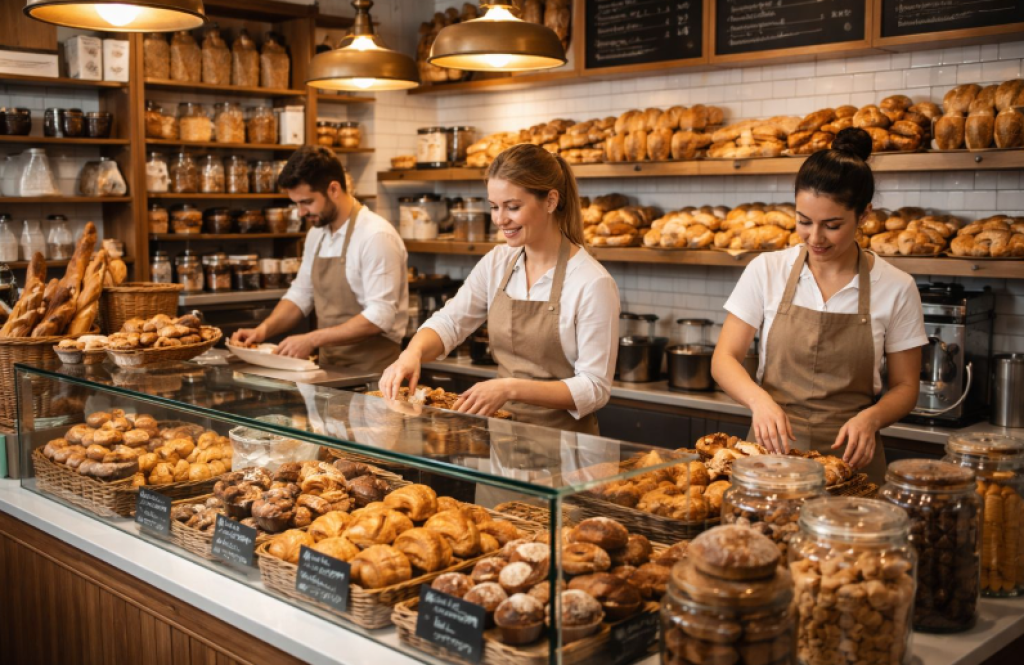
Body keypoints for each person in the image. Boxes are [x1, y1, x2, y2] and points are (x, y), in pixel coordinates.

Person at [712, 128, 927, 482]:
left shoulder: (897, 287)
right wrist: (759, 402)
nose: (815, 238)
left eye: (832, 225)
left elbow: (906, 387)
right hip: (769, 455)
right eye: (804, 221)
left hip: (851, 461)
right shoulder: (767, 270)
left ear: (864, 215)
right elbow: (724, 359)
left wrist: (871, 419)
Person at [379, 144, 620, 434]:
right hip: (503, 444)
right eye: (494, 206)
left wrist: (509, 389)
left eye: (513, 207)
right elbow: (451, 322)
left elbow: (594, 388)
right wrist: (412, 352)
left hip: (567, 451)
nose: (499, 219)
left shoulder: (592, 282)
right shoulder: (498, 262)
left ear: (550, 201)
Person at [231, 146, 408, 372]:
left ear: (333, 189)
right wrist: (262, 331)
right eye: (296, 203)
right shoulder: (317, 234)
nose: (300, 213)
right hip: (329, 369)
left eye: (306, 202)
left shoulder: (375, 236)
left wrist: (312, 340)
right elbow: (301, 294)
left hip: (375, 374)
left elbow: (379, 317)